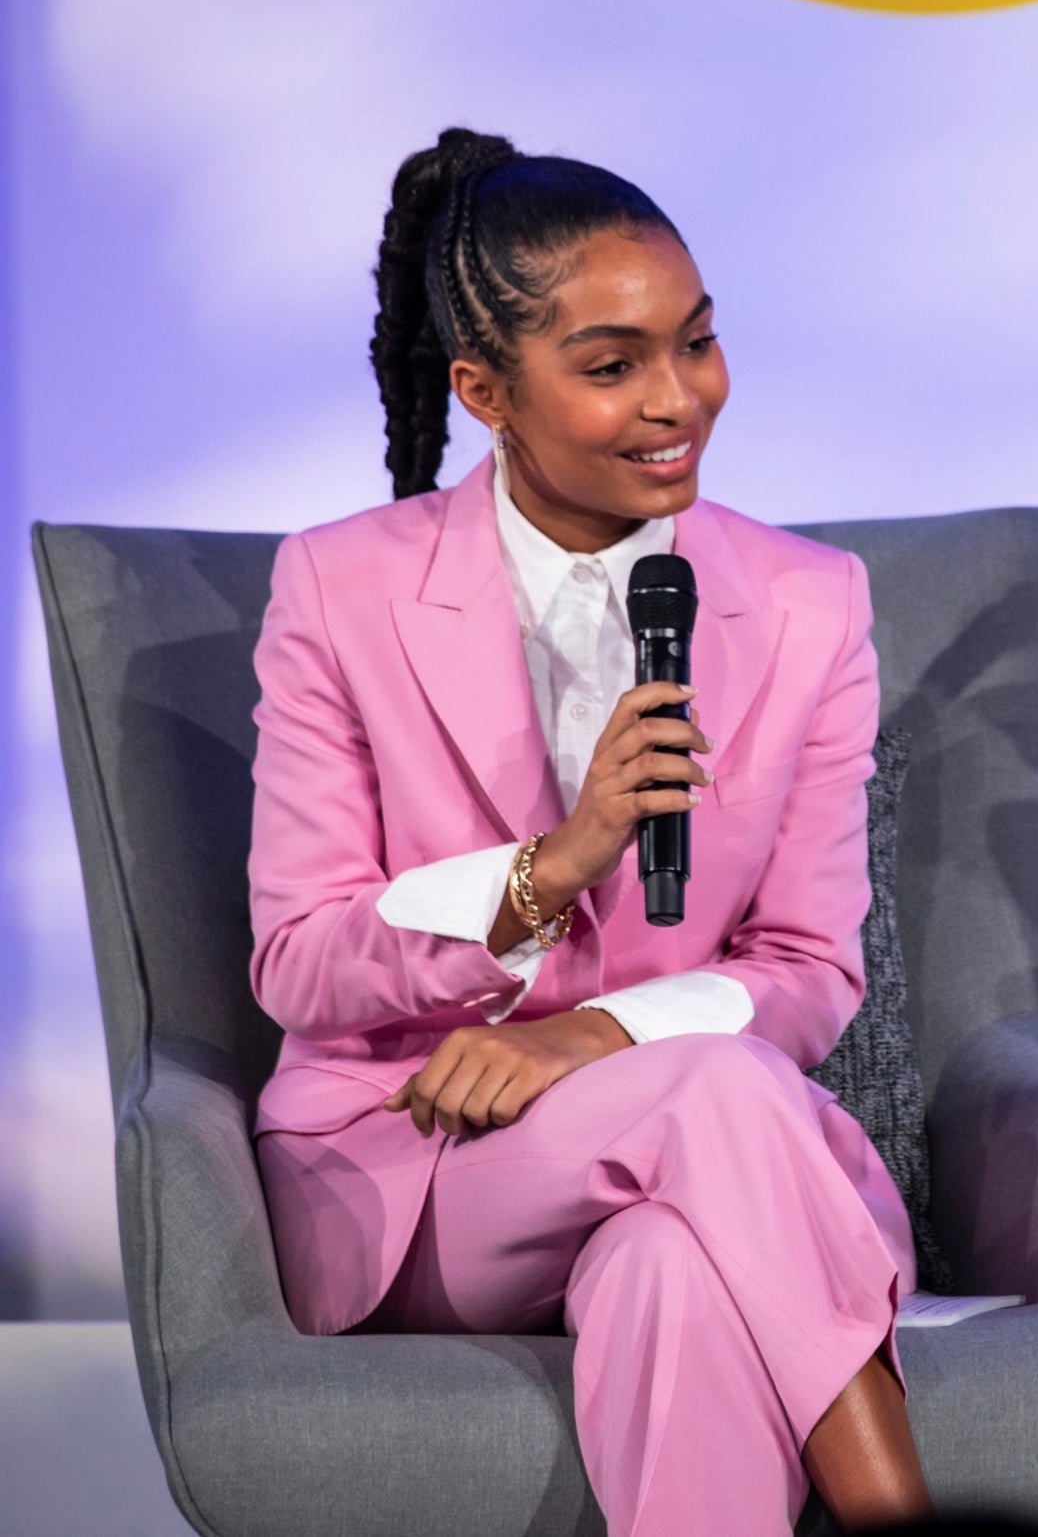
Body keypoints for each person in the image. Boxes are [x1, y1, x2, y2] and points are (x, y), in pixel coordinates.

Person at [248, 130, 934, 1536]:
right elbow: (299, 963)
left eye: (697, 343)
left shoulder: (811, 603)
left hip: (691, 1173)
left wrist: (586, 1040)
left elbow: (807, 968)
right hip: (420, 1168)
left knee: (670, 1274)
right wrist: (546, 872)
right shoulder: (338, 589)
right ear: (486, 391)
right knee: (726, 1091)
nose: (678, 401)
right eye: (613, 365)